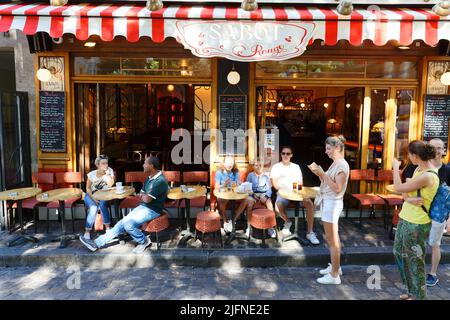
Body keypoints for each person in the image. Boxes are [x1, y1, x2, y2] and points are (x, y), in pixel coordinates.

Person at [79, 156, 169, 254]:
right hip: (143, 207)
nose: (143, 165)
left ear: (151, 166)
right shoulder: (150, 178)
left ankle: (144, 241)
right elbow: (142, 193)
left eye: (145, 163)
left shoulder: (159, 181)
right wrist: (144, 196)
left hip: (152, 210)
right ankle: (96, 243)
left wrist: (144, 196)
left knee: (128, 224)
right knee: (121, 224)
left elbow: (146, 199)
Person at [392, 140, 439, 300]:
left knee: (415, 261)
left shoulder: (428, 176)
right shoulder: (419, 169)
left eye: (410, 154)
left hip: (417, 223)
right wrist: (409, 199)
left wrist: (395, 169)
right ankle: (411, 290)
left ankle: (420, 296)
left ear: (416, 156)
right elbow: (405, 191)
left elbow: (398, 188)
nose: (408, 157)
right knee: (399, 253)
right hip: (406, 217)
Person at [309, 135, 350, 285]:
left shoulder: (341, 166)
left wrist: (322, 174)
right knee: (333, 239)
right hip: (330, 203)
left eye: (328, 148)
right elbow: (329, 183)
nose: (326, 151)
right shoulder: (336, 163)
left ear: (338, 148)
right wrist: (320, 174)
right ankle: (335, 267)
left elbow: (337, 189)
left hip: (332, 205)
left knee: (332, 241)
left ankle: (334, 275)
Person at [270, 146, 320, 244]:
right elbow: (275, 184)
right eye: (283, 153)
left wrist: (298, 192)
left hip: (296, 192)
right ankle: (288, 222)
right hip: (283, 193)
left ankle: (310, 232)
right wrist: (284, 191)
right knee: (277, 206)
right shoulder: (276, 167)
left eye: (288, 154)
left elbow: (300, 183)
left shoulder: (296, 167)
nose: (285, 155)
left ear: (291, 155)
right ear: (281, 154)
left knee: (309, 203)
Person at [234, 158, 274, 238]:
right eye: (256, 165)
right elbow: (248, 187)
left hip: (263, 194)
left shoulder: (266, 176)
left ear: (262, 167)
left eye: (260, 165)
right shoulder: (250, 175)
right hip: (253, 194)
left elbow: (269, 189)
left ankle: (271, 227)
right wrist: (253, 195)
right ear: (253, 167)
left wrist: (266, 197)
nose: (258, 167)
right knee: (249, 203)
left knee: (269, 204)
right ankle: (249, 227)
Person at [83, 154, 115, 239]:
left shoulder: (110, 171)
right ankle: (87, 231)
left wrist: (107, 174)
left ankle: (108, 228)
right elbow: (88, 188)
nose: (106, 165)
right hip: (91, 194)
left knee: (103, 205)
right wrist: (94, 198)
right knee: (93, 208)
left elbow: (111, 184)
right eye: (103, 163)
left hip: (104, 194)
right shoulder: (91, 174)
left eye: (107, 163)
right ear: (98, 165)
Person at [215, 156, 242, 233]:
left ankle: (233, 220)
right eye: (227, 163)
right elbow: (216, 187)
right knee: (221, 200)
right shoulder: (219, 172)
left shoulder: (235, 172)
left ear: (233, 164)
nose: (229, 165)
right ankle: (225, 221)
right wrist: (224, 184)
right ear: (224, 163)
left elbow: (237, 183)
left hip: (233, 193)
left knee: (247, 199)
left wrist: (238, 183)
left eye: (231, 163)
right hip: (223, 193)